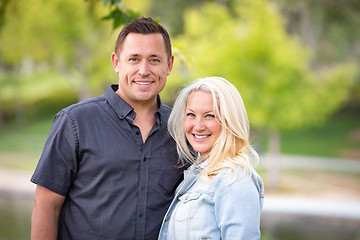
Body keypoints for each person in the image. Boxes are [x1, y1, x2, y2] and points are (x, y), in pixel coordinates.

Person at [30, 17, 185, 240]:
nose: (143, 70)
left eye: (154, 60)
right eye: (134, 59)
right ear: (116, 62)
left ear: (168, 65)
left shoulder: (182, 128)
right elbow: (46, 206)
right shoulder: (75, 122)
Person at [158, 77, 264, 240]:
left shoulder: (234, 179)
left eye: (210, 116)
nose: (198, 126)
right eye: (191, 114)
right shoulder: (196, 174)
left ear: (230, 121)